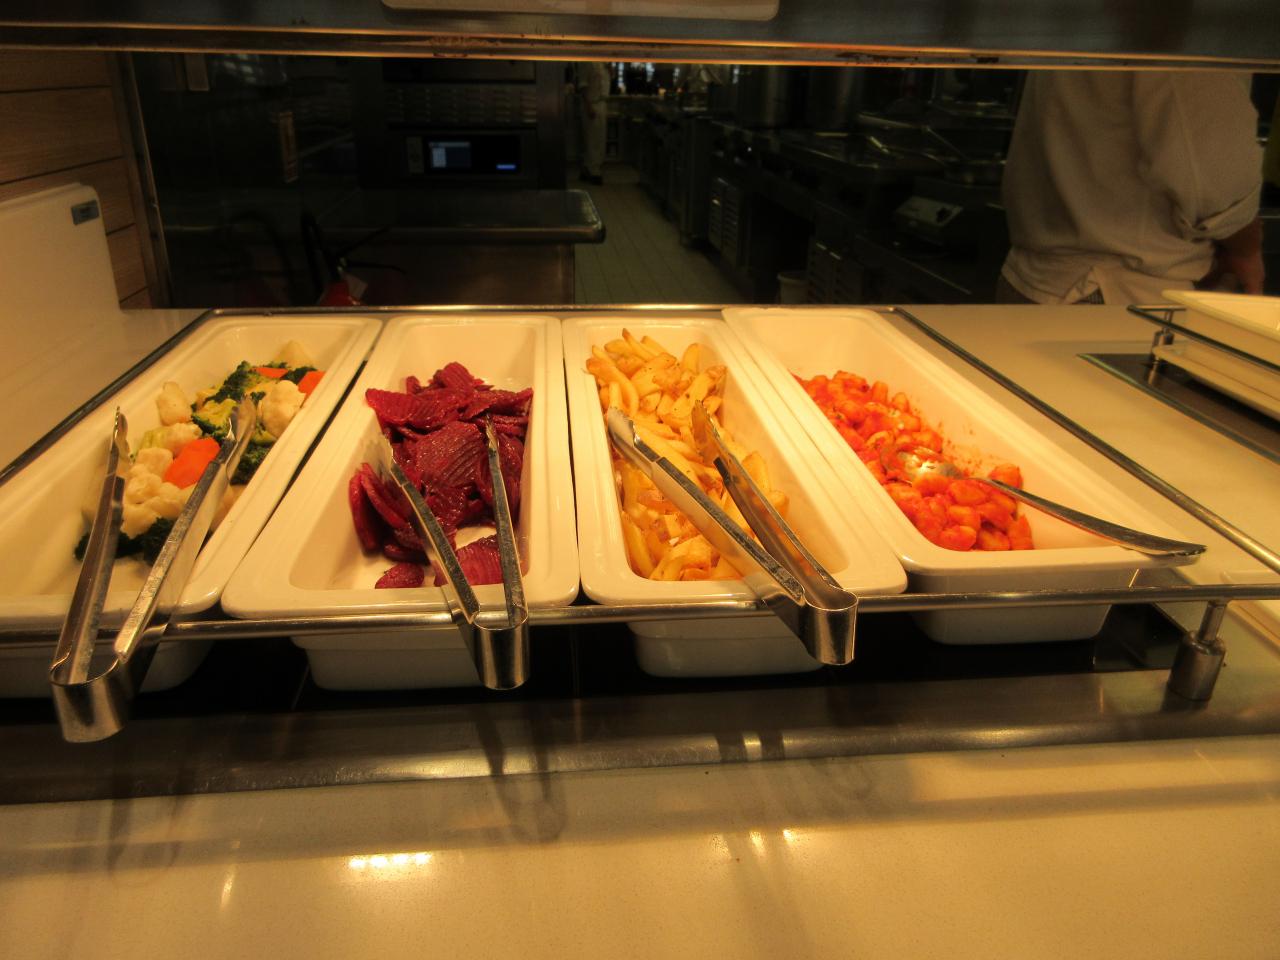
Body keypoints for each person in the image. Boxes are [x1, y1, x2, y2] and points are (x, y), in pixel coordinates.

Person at [998, 71, 1264, 305]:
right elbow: (1211, 181)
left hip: (1043, 281)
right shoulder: (1191, 33)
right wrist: (1245, 248)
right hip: (1113, 292)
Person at [577, 61, 611, 186]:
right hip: (592, 103)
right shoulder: (587, 62)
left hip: (602, 103)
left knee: (599, 138)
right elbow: (583, 86)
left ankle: (587, 168)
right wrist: (588, 106)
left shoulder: (604, 64)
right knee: (592, 139)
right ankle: (594, 171)